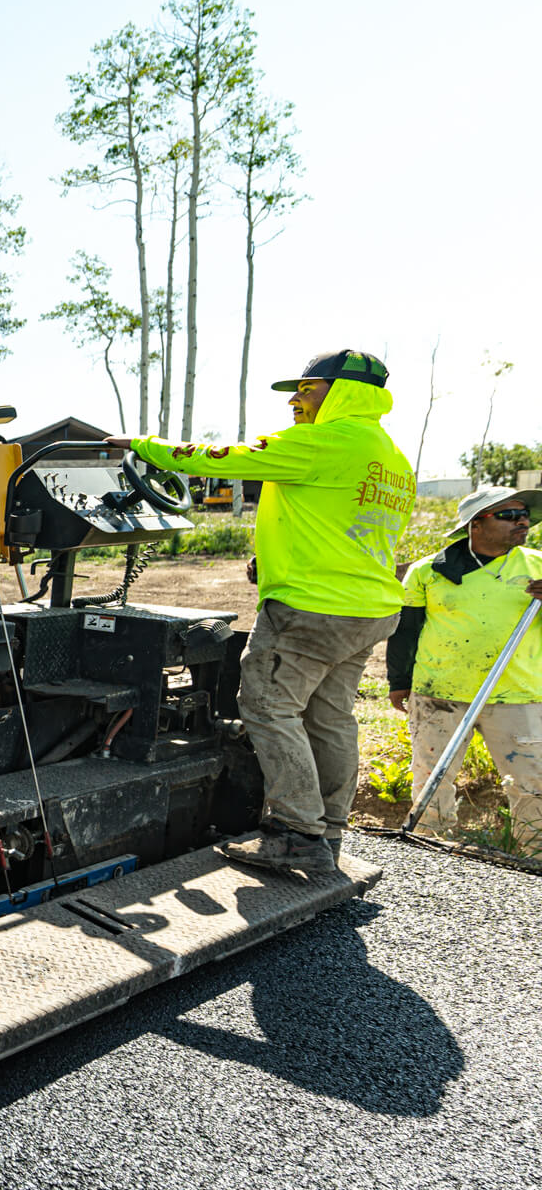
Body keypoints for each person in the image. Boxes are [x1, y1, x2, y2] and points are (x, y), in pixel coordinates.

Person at [107, 349, 415, 873]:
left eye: (307, 389)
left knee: (268, 706)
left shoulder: (321, 441)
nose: (296, 399)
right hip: (367, 609)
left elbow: (219, 457)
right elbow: (343, 527)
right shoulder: (390, 457)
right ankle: (327, 832)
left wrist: (141, 445)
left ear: (342, 392)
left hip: (310, 611)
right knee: (331, 718)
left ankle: (296, 832)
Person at [387, 486, 542, 848]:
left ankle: (535, 856)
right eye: (508, 515)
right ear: (476, 524)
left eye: (524, 515)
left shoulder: (537, 565)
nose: (522, 522)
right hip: (440, 693)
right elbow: (406, 631)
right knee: (432, 777)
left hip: (518, 695)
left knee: (532, 782)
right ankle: (430, 844)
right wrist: (399, 681)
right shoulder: (429, 571)